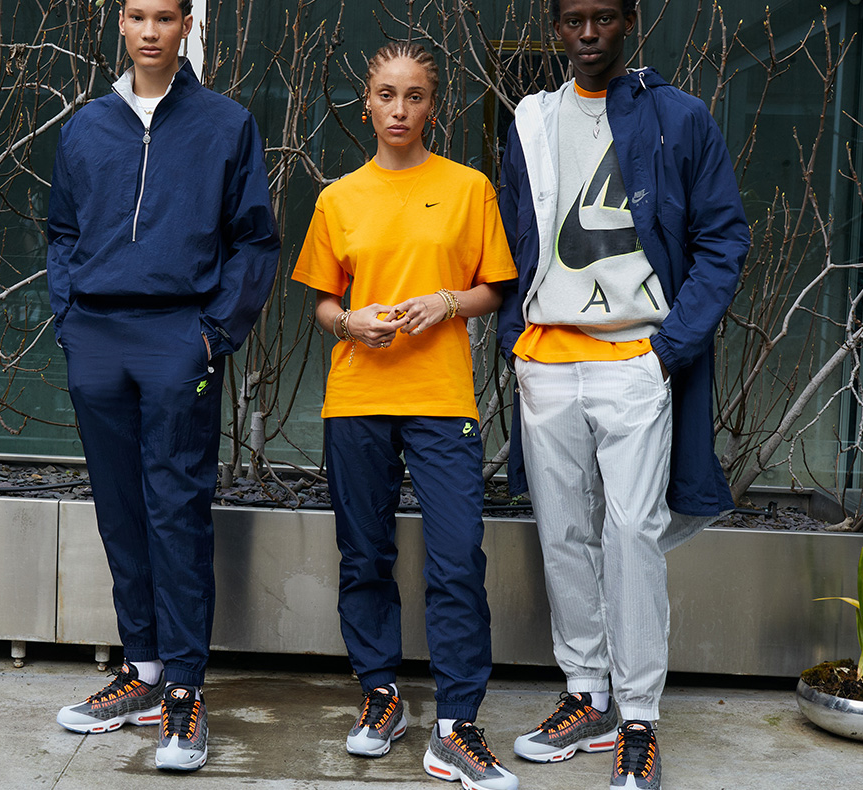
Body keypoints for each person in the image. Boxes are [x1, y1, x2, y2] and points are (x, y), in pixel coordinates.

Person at [495, 1, 749, 788]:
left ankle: (639, 716)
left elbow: (723, 238)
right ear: (555, 26)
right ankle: (587, 695)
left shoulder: (680, 117)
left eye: (603, 17)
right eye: (573, 19)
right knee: (563, 531)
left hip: (636, 358)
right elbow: (514, 234)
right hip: (548, 359)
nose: (587, 33)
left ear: (630, 21)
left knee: (633, 532)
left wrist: (667, 352)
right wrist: (515, 339)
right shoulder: (531, 121)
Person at [45, 0, 279, 773]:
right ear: (120, 23)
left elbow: (254, 241)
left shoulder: (225, 124)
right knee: (120, 509)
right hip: (98, 340)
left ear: (187, 27)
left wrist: (213, 334)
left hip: (180, 338)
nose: (151, 31)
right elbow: (62, 232)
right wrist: (69, 320)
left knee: (175, 510)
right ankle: (141, 671)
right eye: (138, 16)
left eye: (165, 17)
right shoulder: (86, 127)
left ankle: (184, 688)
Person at [290, 41, 521, 790]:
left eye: (414, 96)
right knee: (364, 556)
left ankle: (456, 726)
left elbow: (494, 286)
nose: (399, 109)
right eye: (386, 94)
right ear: (367, 104)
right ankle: (380, 693)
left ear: (432, 107)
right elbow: (324, 301)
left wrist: (447, 302)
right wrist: (348, 322)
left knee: (457, 560)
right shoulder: (338, 199)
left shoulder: (468, 188)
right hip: (358, 397)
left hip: (440, 400)